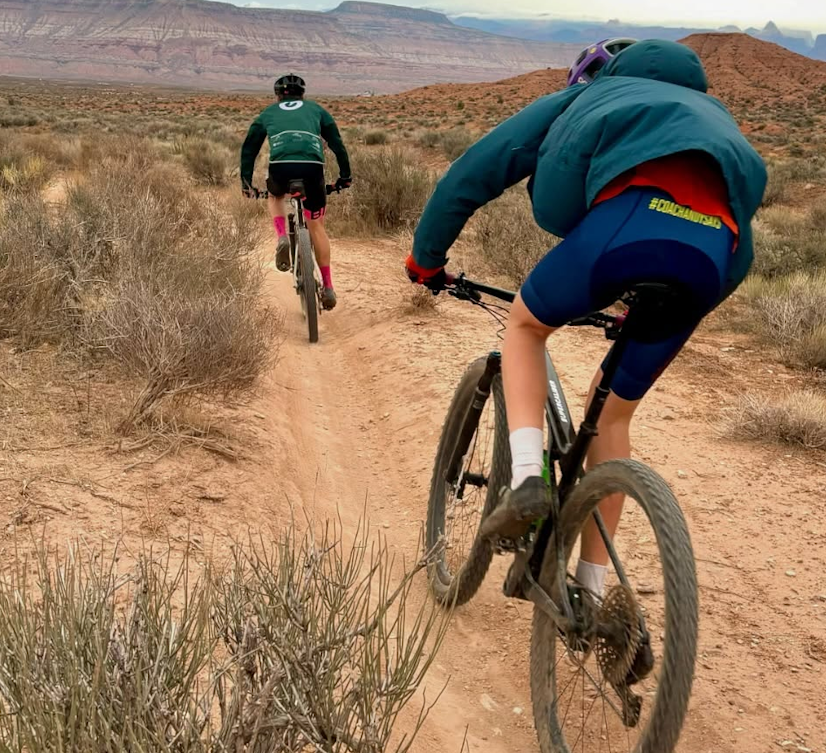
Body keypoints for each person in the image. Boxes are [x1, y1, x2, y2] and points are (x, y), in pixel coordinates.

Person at [405, 39, 767, 598]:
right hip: (708, 262)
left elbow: (473, 173)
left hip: (621, 227)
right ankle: (592, 591)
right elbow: (740, 244)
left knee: (526, 328)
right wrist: (659, 309)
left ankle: (527, 480)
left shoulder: (590, 95)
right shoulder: (716, 118)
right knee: (614, 417)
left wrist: (426, 258)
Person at [241, 73, 354, 310]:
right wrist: (345, 177)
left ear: (278, 95)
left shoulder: (268, 113)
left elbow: (249, 148)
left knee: (274, 195)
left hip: (281, 169)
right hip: (312, 171)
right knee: (317, 227)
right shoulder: (317, 110)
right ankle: (328, 286)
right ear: (302, 94)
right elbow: (337, 144)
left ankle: (281, 235)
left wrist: (246, 183)